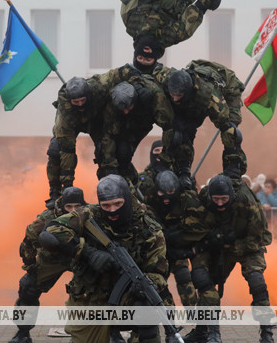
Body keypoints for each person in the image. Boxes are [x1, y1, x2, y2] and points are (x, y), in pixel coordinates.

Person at [37, 175, 169, 343]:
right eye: (106, 205)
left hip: (127, 299)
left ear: (127, 199)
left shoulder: (149, 229)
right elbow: (51, 231)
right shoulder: (88, 214)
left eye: (118, 204)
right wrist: (87, 252)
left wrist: (146, 283)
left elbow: (159, 273)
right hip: (89, 298)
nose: (113, 210)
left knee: (146, 311)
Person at [197, 174, 274, 343]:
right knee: (205, 282)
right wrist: (213, 238)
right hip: (219, 246)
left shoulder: (248, 202)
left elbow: (258, 238)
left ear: (231, 196)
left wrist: (233, 245)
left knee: (257, 282)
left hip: (248, 246)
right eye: (215, 199)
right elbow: (196, 227)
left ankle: (267, 332)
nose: (219, 203)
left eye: (224, 199)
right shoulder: (203, 198)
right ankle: (206, 331)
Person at [10, 188, 87, 343]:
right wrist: (31, 267)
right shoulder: (47, 218)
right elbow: (28, 240)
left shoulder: (89, 215)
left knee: (102, 288)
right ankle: (23, 332)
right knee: (28, 287)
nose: (72, 211)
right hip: (53, 258)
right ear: (62, 206)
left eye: (76, 207)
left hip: (81, 256)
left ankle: (112, 332)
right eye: (68, 207)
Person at [162, 65, 246, 183]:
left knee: (231, 129)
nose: (175, 99)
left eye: (178, 96)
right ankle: (183, 170)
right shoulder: (167, 79)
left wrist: (232, 165)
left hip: (228, 89)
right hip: (193, 96)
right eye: (172, 95)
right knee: (182, 130)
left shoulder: (210, 97)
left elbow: (227, 129)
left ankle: (233, 168)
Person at [143, 170, 209, 309]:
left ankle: (192, 312)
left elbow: (196, 226)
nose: (166, 197)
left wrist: (183, 245)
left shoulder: (185, 199)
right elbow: (148, 223)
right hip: (159, 245)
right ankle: (166, 316)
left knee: (183, 274)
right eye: (162, 193)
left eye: (171, 191)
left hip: (180, 242)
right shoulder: (149, 197)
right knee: (157, 281)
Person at [97, 80, 174, 185]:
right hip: (124, 127)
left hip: (143, 122)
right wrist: (110, 167)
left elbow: (169, 127)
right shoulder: (113, 104)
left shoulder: (156, 98)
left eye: (128, 108)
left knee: (177, 137)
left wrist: (165, 159)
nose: (126, 112)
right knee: (119, 151)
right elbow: (109, 135)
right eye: (123, 109)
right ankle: (124, 180)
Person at [47, 76, 107, 206]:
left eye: (82, 100)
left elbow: (116, 75)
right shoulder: (65, 114)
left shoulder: (98, 88)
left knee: (107, 150)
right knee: (55, 149)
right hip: (73, 124)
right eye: (76, 102)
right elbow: (67, 150)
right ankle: (55, 192)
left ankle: (109, 187)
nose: (80, 104)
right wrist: (68, 187)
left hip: (97, 121)